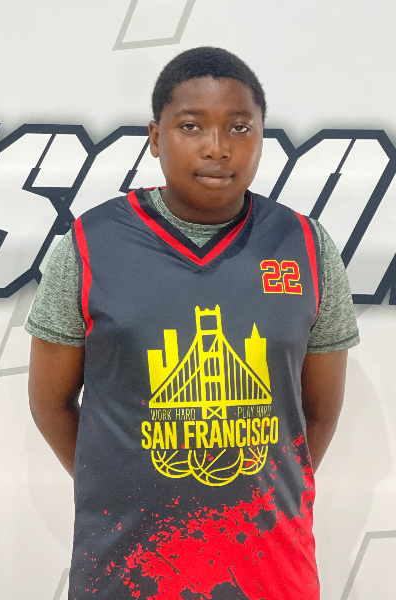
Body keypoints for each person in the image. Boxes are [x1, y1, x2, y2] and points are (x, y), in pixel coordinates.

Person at [25, 47, 359, 600]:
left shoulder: (306, 246)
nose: (217, 147)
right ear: (155, 137)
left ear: (261, 137)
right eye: (191, 126)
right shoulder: (90, 244)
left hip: (269, 572)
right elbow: (50, 404)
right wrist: (121, 484)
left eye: (240, 127)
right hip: (128, 574)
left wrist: (260, 490)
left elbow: (317, 416)